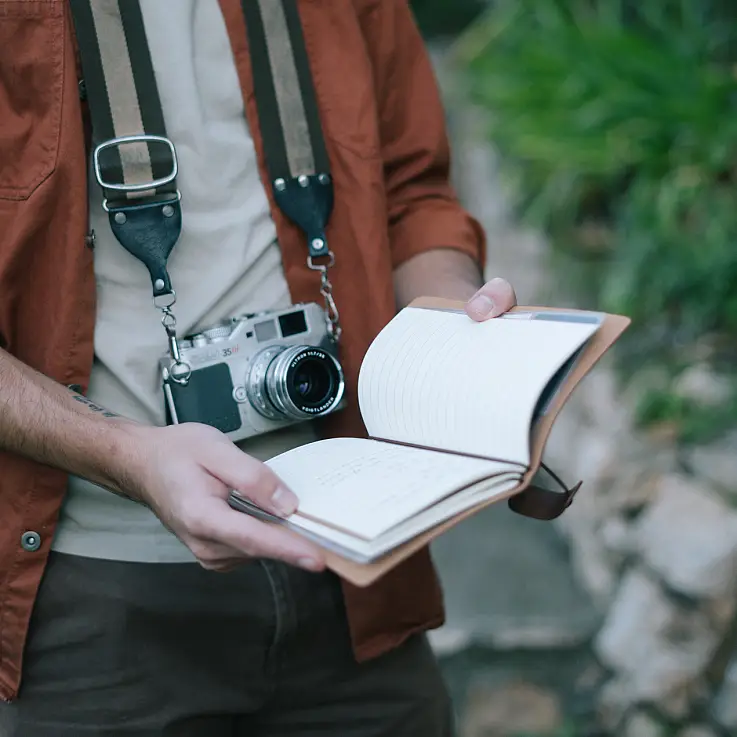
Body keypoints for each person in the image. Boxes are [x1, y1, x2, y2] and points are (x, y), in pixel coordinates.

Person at [0, 1, 517, 734]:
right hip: (96, 597)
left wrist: (459, 318)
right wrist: (124, 454)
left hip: (354, 565)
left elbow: (413, 194)